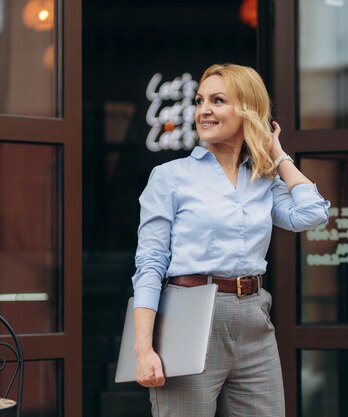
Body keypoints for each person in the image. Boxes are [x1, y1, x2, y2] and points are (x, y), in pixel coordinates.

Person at [130, 63, 330, 417]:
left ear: (248, 111)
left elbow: (311, 214)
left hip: (253, 315)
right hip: (188, 314)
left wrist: (277, 154)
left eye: (218, 100)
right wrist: (143, 349)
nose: (203, 110)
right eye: (200, 100)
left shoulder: (263, 179)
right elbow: (149, 264)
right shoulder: (170, 177)